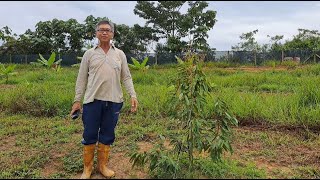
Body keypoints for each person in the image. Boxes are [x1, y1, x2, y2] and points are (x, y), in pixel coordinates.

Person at [70, 20, 138, 179]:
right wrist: (77, 100)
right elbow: (81, 79)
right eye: (101, 30)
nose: (104, 32)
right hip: (92, 101)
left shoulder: (119, 54)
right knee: (90, 134)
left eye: (108, 30)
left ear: (112, 33)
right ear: (96, 33)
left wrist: (133, 95)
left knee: (107, 134)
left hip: (114, 101)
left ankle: (102, 166)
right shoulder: (89, 54)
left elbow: (126, 77)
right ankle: (87, 168)